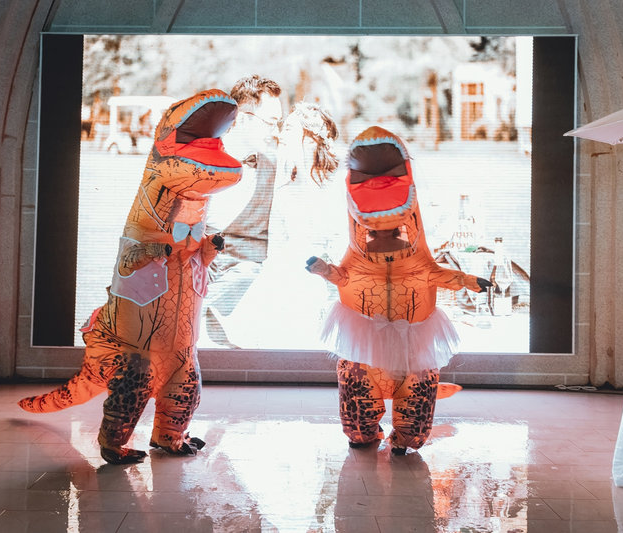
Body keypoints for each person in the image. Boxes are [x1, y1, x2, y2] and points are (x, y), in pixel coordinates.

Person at [18, 89, 242, 463]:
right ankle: (112, 442)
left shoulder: (195, 216)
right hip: (132, 342)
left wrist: (208, 248)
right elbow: (130, 260)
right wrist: (153, 250)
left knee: (188, 386)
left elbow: (197, 263)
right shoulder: (145, 216)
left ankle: (170, 436)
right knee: (132, 382)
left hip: (180, 343)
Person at [306, 126, 492, 455]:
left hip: (415, 335)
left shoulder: (418, 256)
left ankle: (406, 436)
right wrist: (323, 269)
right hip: (364, 333)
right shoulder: (359, 251)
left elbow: (436, 274)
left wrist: (468, 280)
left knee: (416, 399)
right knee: (358, 395)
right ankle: (363, 432)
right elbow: (343, 276)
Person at [216, 101, 342, 349]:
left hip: (318, 273)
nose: (281, 133)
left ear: (310, 139)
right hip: (284, 270)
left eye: (290, 128)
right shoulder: (286, 180)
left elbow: (333, 235)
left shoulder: (330, 184)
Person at [203, 75, 283, 347]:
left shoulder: (278, 169)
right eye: (273, 123)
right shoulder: (199, 161)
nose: (278, 132)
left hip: (248, 278)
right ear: (245, 118)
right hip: (196, 268)